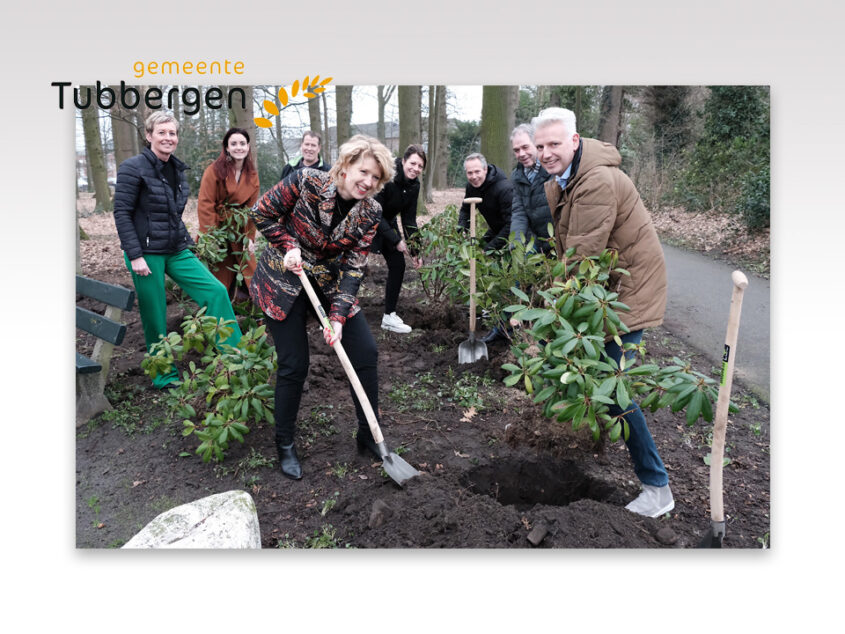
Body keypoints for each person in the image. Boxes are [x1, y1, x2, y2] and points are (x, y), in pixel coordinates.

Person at [532, 106, 673, 518]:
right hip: (605, 293)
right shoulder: (565, 177)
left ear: (575, 141)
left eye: (554, 143)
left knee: (614, 389)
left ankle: (657, 487)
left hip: (627, 294)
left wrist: (551, 316)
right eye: (540, 145)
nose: (545, 152)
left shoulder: (595, 180)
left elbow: (580, 258)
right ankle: (598, 437)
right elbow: (569, 251)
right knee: (602, 381)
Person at [249, 134, 394, 480]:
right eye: (364, 172)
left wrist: (338, 316)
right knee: (294, 364)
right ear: (345, 166)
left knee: (365, 352)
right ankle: (284, 444)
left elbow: (355, 266)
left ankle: (368, 435)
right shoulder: (307, 181)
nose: (368, 182)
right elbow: (261, 213)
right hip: (284, 279)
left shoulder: (370, 211)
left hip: (328, 282)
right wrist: (287, 244)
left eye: (376, 178)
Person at [113, 111, 243, 388]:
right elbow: (122, 214)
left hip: (175, 249)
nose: (168, 138)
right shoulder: (132, 168)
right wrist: (134, 255)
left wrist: (189, 246)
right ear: (149, 136)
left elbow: (172, 216)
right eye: (162, 132)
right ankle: (163, 376)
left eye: (172, 133)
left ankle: (236, 359)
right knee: (155, 311)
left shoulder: (177, 170)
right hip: (145, 253)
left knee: (216, 291)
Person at [197, 127, 260, 302]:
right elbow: (205, 204)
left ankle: (253, 315)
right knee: (218, 276)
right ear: (226, 147)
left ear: (248, 147)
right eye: (234, 144)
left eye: (242, 143)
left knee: (249, 274)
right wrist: (210, 238)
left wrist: (250, 238)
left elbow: (252, 210)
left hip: (240, 233)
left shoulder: (252, 175)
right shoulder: (214, 171)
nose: (238, 147)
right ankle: (216, 316)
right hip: (218, 230)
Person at [457, 152, 513, 343]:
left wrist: (489, 248)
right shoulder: (471, 187)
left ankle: (503, 327)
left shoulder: (504, 188)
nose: (473, 177)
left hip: (510, 233)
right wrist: (462, 226)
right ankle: (481, 306)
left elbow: (511, 225)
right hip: (496, 229)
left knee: (506, 278)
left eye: (477, 172)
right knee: (474, 257)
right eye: (469, 173)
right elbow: (465, 209)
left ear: (486, 169)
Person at [372, 144, 426, 334]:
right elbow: (374, 214)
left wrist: (415, 250)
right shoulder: (387, 174)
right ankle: (335, 313)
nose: (415, 169)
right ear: (403, 161)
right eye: (412, 163)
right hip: (365, 219)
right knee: (355, 267)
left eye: (420, 166)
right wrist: (396, 240)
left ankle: (389, 316)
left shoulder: (414, 185)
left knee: (398, 264)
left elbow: (409, 219)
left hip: (387, 221)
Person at [509, 123, 554, 255]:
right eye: (516, 150)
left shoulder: (553, 168)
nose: (521, 154)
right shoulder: (517, 176)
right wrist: (516, 242)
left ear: (536, 143)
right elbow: (519, 212)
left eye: (525, 147)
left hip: (557, 239)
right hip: (535, 240)